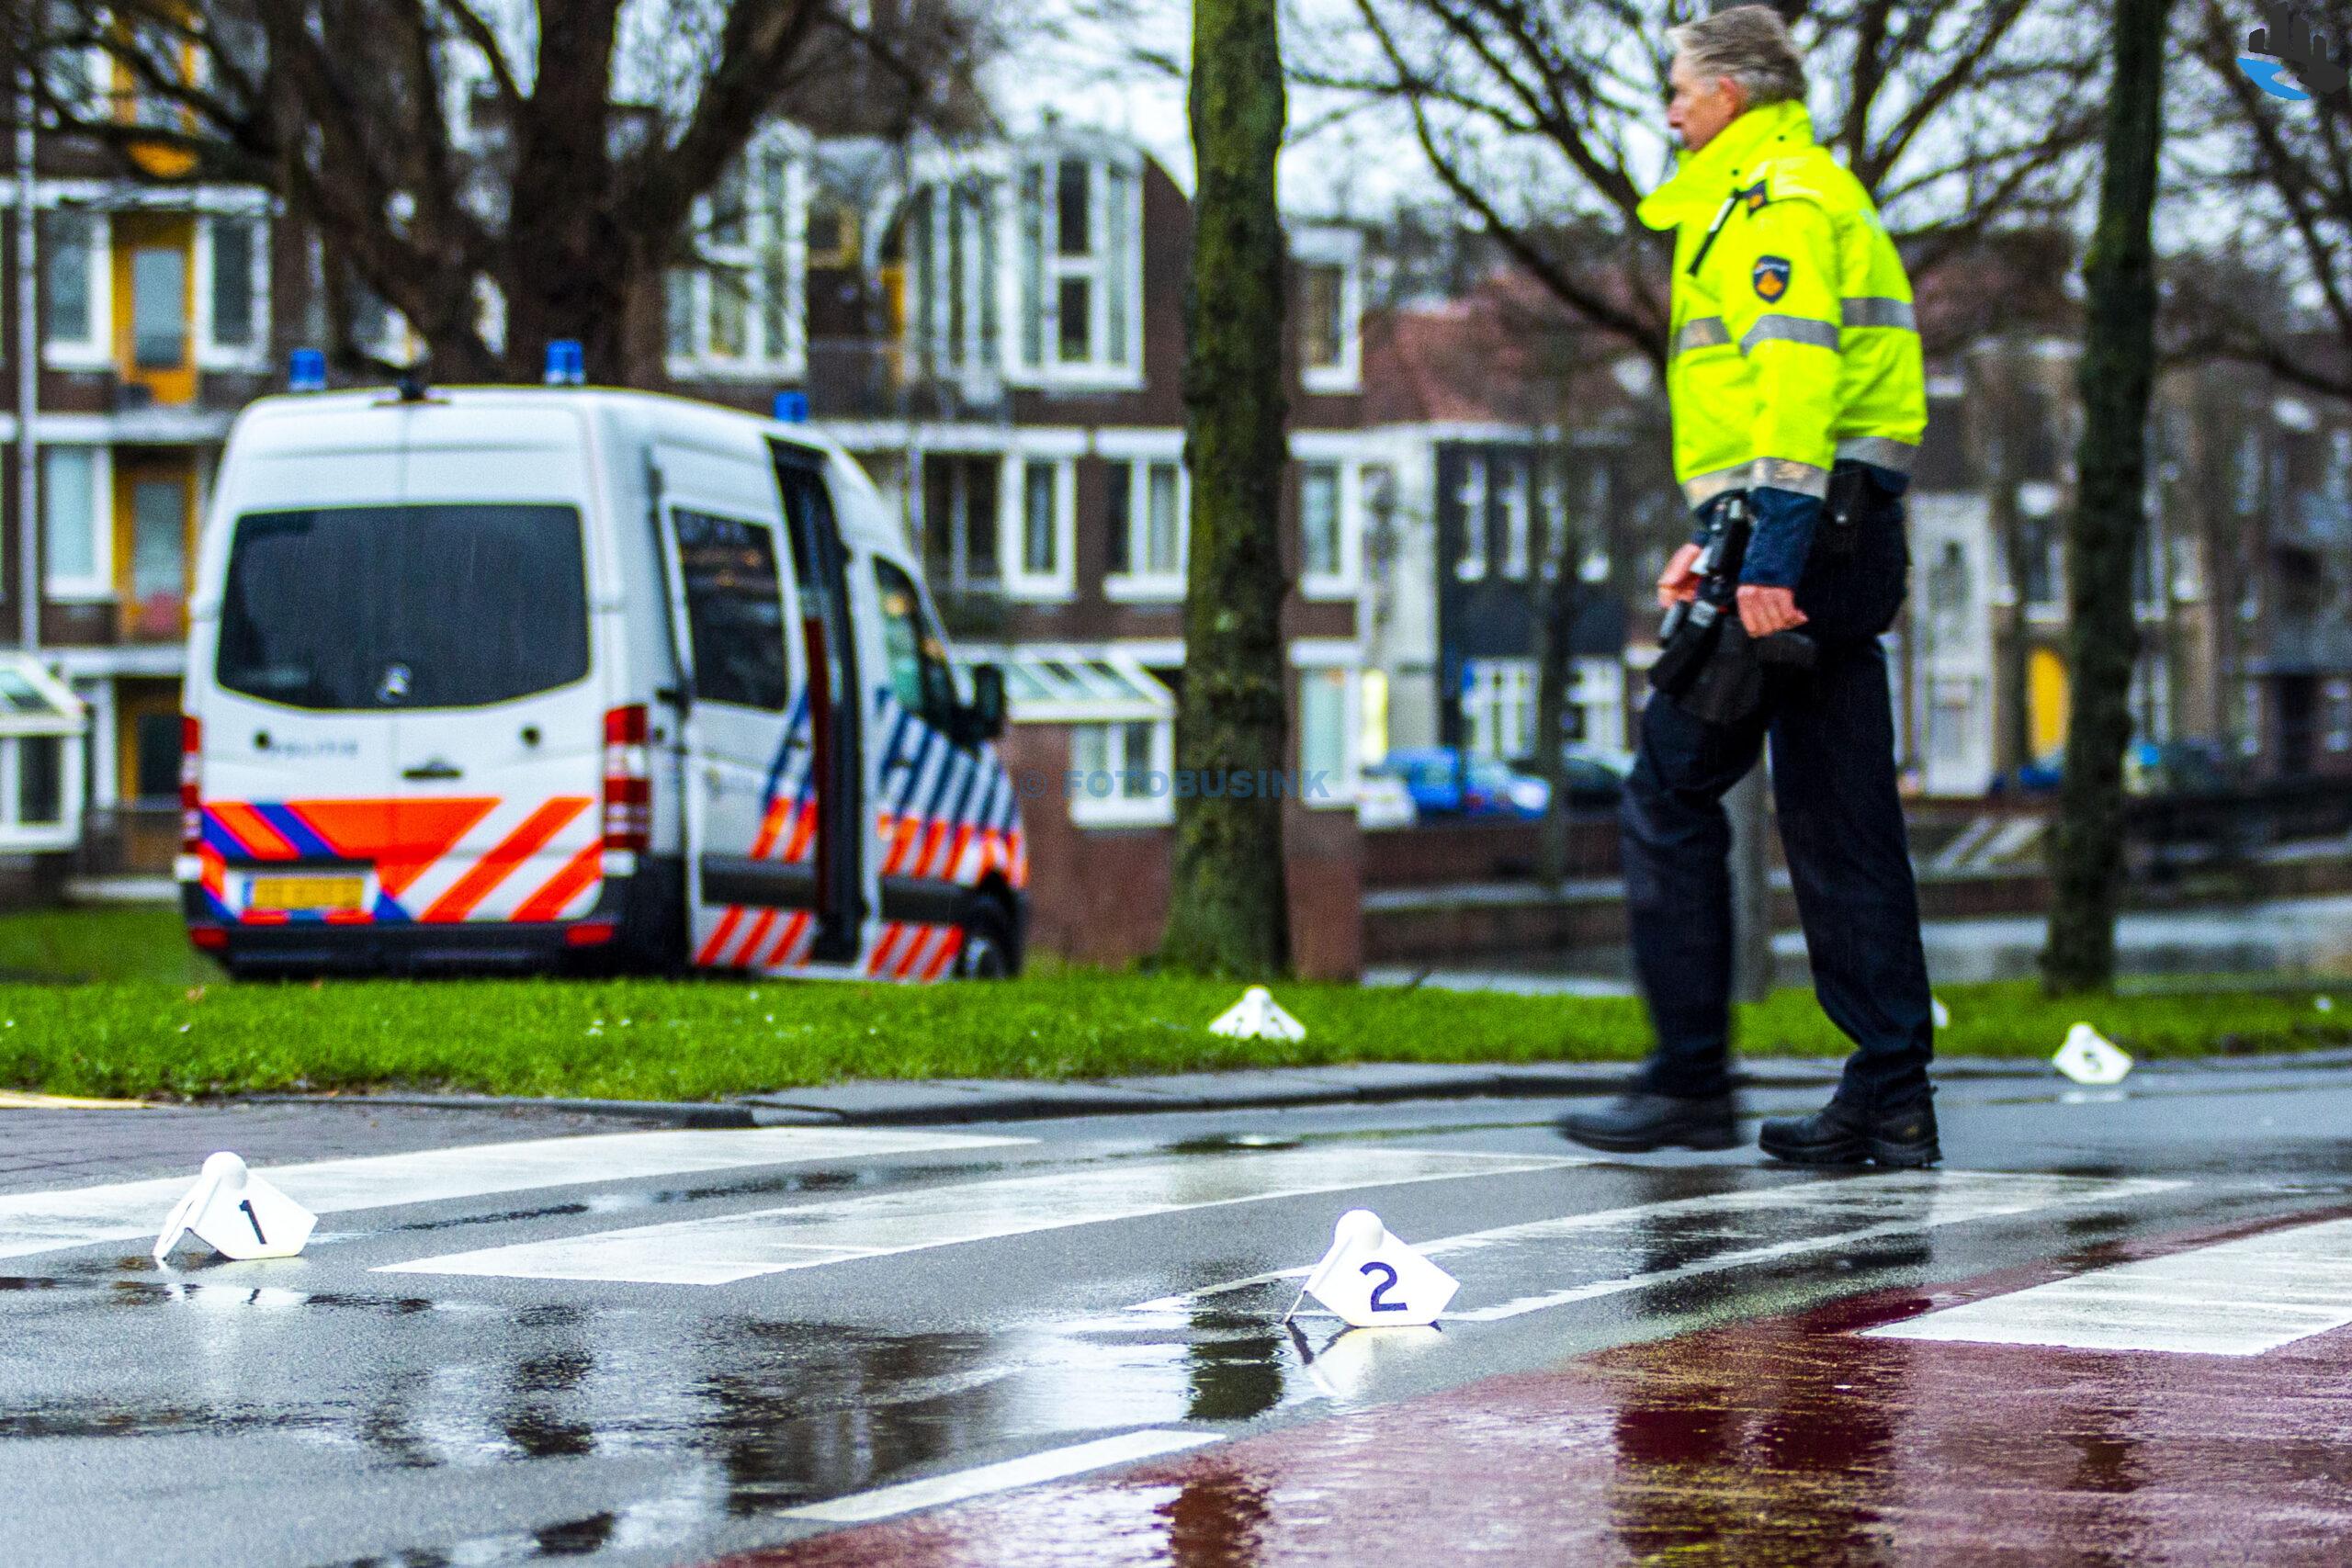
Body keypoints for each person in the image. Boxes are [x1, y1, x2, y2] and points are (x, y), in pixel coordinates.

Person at [1561, 6, 1938, 1167]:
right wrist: (1713, 527)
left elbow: (1790, 382)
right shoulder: (1805, 191)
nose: (1668, 107)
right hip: (1838, 528)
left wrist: (1765, 551)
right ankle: (1888, 1093)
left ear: (1730, 92)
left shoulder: (1767, 204)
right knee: (1840, 815)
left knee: (1669, 787)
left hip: (1804, 536)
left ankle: (1687, 1083)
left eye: (1679, 87)